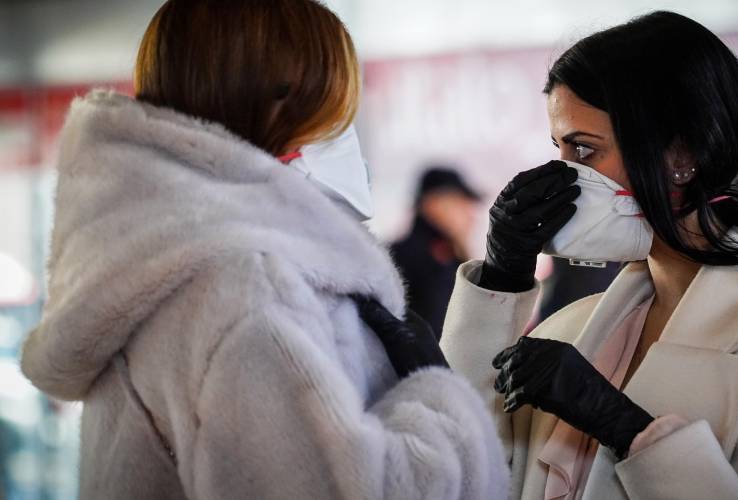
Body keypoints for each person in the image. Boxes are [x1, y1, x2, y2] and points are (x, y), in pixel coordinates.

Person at [19, 2, 506, 499]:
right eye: (331, 115)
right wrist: (441, 402)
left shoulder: (167, 258)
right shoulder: (247, 287)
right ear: (281, 106)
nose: (344, 139)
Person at [440, 11, 738, 500]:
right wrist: (501, 276)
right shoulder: (570, 332)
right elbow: (457, 470)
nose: (563, 176)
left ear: (681, 156)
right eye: (558, 148)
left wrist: (624, 426)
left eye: (584, 151)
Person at [391, 167, 480, 338]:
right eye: (461, 203)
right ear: (434, 204)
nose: (471, 215)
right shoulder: (412, 259)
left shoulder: (448, 257)